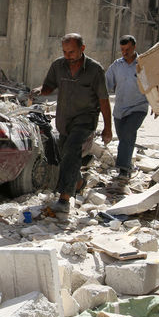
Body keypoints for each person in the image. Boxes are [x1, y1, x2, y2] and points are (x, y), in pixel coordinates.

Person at [31, 33, 112, 214]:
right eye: (65, 52)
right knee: (64, 153)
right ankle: (79, 181)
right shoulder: (58, 66)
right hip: (64, 120)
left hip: (85, 119)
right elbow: (49, 86)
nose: (68, 56)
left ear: (82, 49)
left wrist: (108, 127)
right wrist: (40, 90)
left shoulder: (94, 70)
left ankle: (65, 198)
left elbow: (104, 100)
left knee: (72, 149)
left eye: (72, 52)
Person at [105, 35, 148, 181]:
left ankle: (123, 170)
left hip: (138, 107)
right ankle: (128, 164)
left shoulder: (143, 64)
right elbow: (106, 84)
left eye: (127, 49)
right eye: (122, 49)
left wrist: (156, 105)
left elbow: (152, 85)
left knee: (128, 134)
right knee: (124, 138)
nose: (124, 52)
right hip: (120, 110)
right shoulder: (117, 66)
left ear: (134, 47)